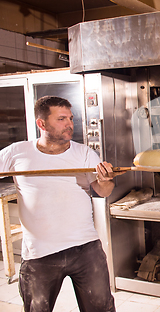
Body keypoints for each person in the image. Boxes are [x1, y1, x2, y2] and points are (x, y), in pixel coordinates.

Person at [0, 96, 124, 312]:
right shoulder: (16, 152)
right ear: (42, 124)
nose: (69, 124)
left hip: (85, 248)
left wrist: (106, 180)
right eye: (61, 119)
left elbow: (103, 191)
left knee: (101, 309)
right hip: (40, 253)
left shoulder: (84, 153)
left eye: (71, 118)